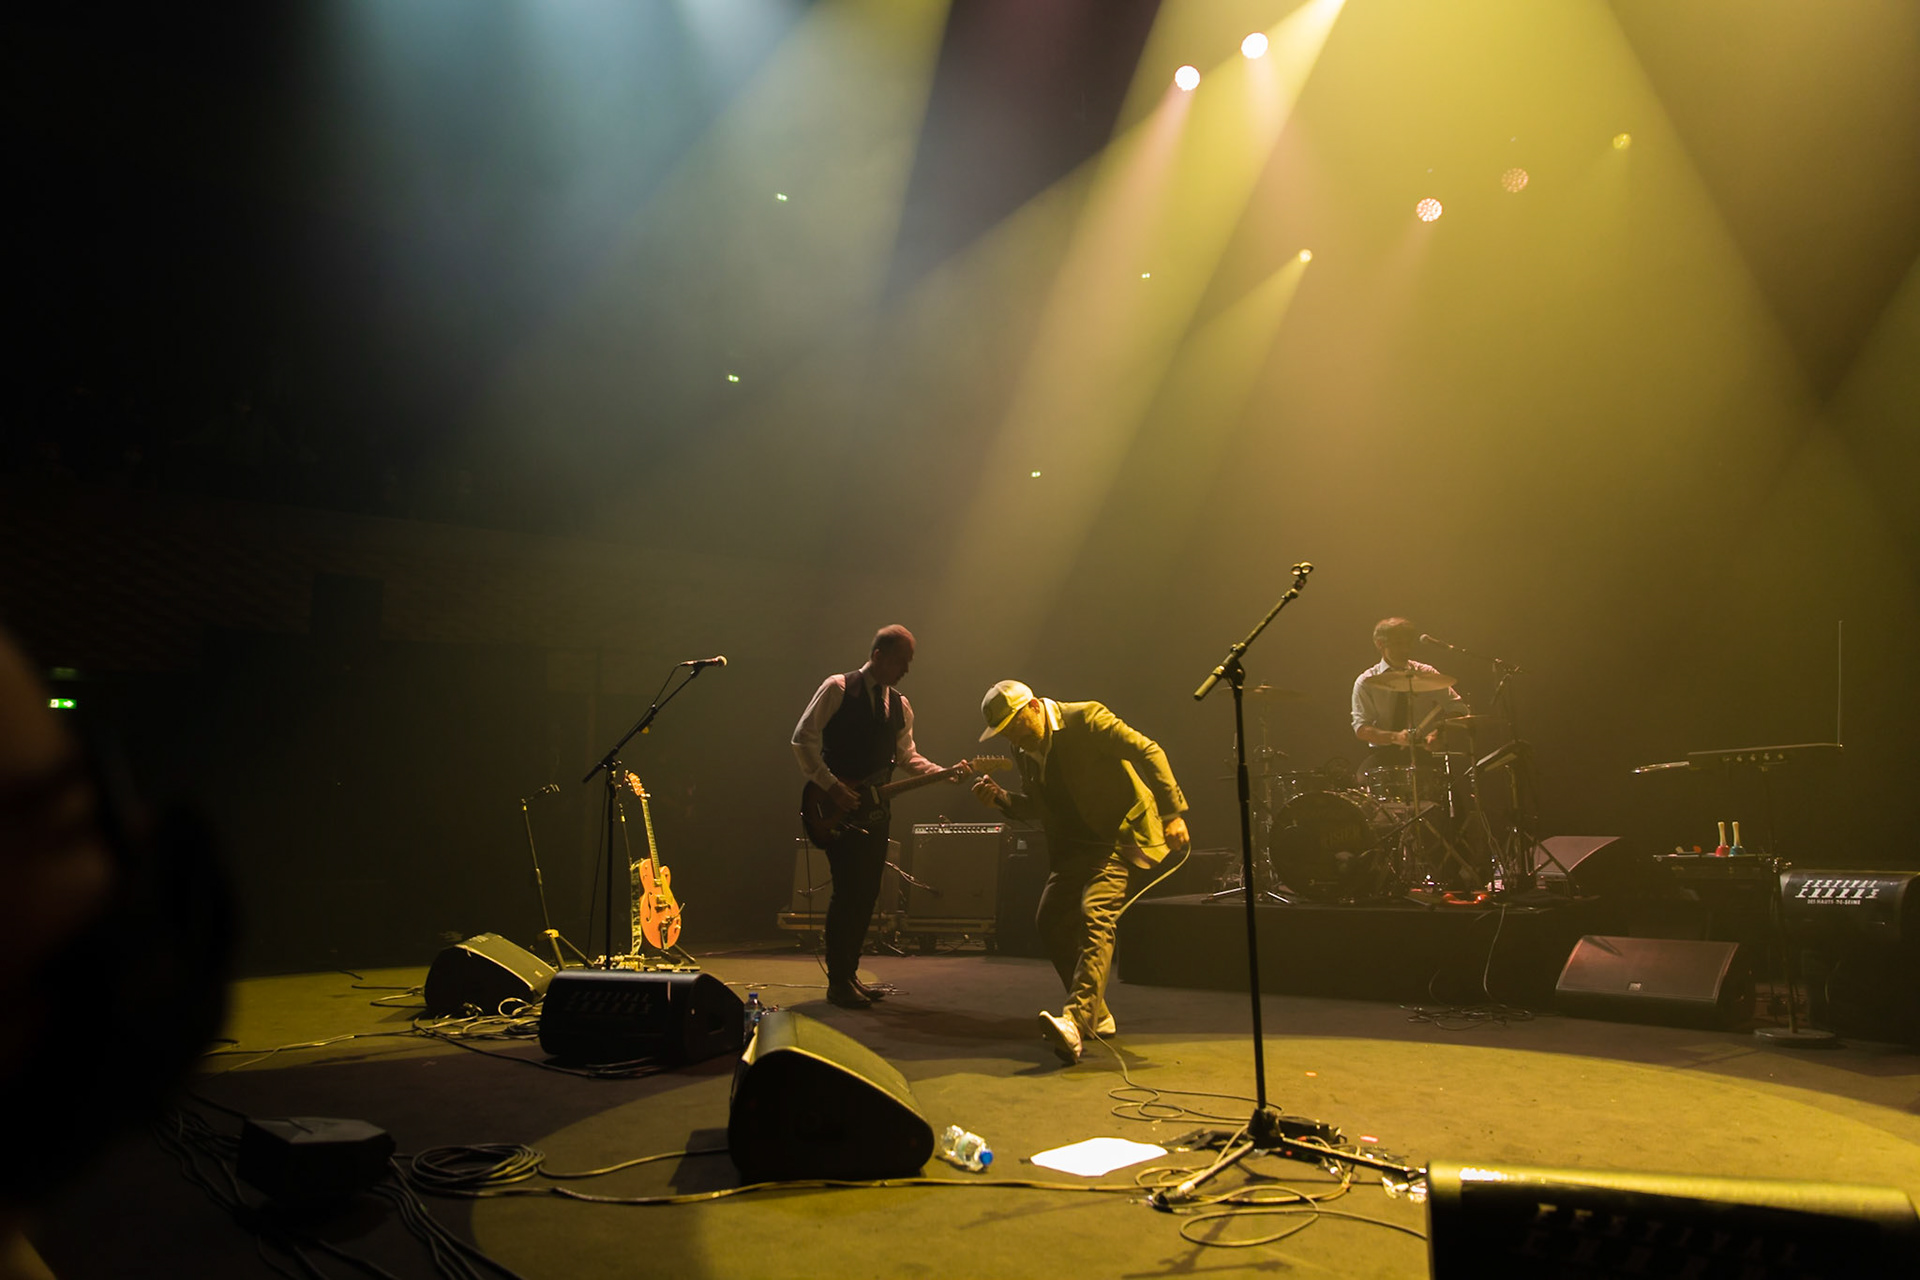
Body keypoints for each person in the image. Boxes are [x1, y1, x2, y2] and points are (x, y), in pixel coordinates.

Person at [969, 681, 1189, 1065]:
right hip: (1076, 848)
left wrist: (1173, 812)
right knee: (1050, 919)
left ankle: (1074, 1021)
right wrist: (1001, 800)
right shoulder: (1022, 751)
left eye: (1016, 726)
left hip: (1121, 837)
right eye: (1004, 733)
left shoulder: (1086, 718)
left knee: (1095, 913)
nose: (1014, 739)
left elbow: (1148, 750)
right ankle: (1095, 1014)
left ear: (1035, 707)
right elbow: (1041, 806)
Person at [791, 626, 966, 1009]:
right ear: (879, 655)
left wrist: (944, 772)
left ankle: (849, 975)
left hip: (876, 812)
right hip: (835, 807)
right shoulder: (838, 687)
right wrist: (832, 785)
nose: (906, 669)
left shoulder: (900, 705)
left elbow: (907, 756)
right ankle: (838, 982)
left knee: (866, 893)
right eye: (902, 661)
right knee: (847, 891)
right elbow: (803, 738)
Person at [1351, 617, 1462, 755]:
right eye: (1398, 644)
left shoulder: (1426, 673)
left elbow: (1459, 707)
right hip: (1383, 753)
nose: (1405, 649)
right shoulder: (1366, 681)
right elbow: (1361, 728)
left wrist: (1439, 733)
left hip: (1424, 751)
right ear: (1380, 644)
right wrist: (1395, 737)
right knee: (1361, 777)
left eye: (1408, 644)